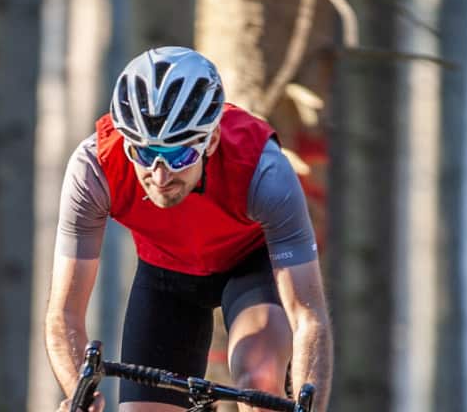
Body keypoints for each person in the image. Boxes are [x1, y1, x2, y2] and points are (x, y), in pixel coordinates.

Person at [45, 46, 333, 412]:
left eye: (180, 156)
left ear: (210, 141)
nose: (160, 176)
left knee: (257, 377)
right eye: (146, 154)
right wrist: (80, 393)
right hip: (165, 277)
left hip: (250, 265)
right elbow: (64, 313)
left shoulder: (265, 171)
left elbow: (309, 317)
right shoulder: (95, 169)